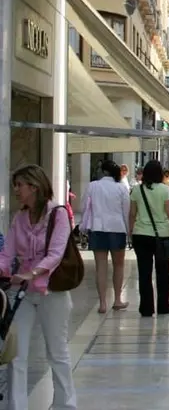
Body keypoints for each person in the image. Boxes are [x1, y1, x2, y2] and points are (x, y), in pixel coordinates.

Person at [0, 164, 79, 409]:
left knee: (57, 353)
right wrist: (4, 270)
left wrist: (31, 273)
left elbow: (55, 254)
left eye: (19, 185)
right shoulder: (19, 218)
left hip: (51, 291)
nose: (16, 190)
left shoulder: (58, 215)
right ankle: (17, 406)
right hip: (22, 294)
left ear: (34, 187)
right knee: (16, 356)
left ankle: (66, 405)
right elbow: (7, 252)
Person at [129, 160, 169, 318]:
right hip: (161, 235)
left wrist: (130, 231)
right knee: (163, 272)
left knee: (144, 273)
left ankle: (146, 308)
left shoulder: (136, 190)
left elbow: (132, 213)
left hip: (141, 235)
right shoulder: (164, 189)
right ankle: (163, 305)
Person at [80, 159, 131, 314]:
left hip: (97, 228)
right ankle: (117, 299)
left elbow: (84, 207)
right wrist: (129, 233)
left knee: (100, 267)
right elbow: (126, 211)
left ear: (103, 172)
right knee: (119, 266)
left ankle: (102, 303)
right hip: (117, 228)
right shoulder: (121, 188)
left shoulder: (93, 186)